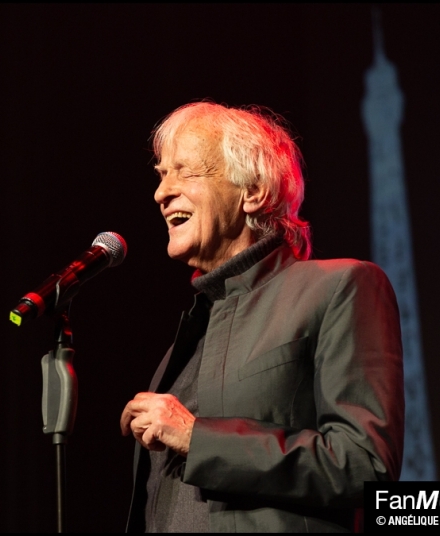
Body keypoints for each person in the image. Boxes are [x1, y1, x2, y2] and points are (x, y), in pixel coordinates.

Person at [120, 102, 404, 533]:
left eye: (185, 172)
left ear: (253, 192)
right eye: (161, 175)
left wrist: (199, 439)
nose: (162, 193)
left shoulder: (339, 288)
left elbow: (365, 463)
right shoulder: (187, 339)